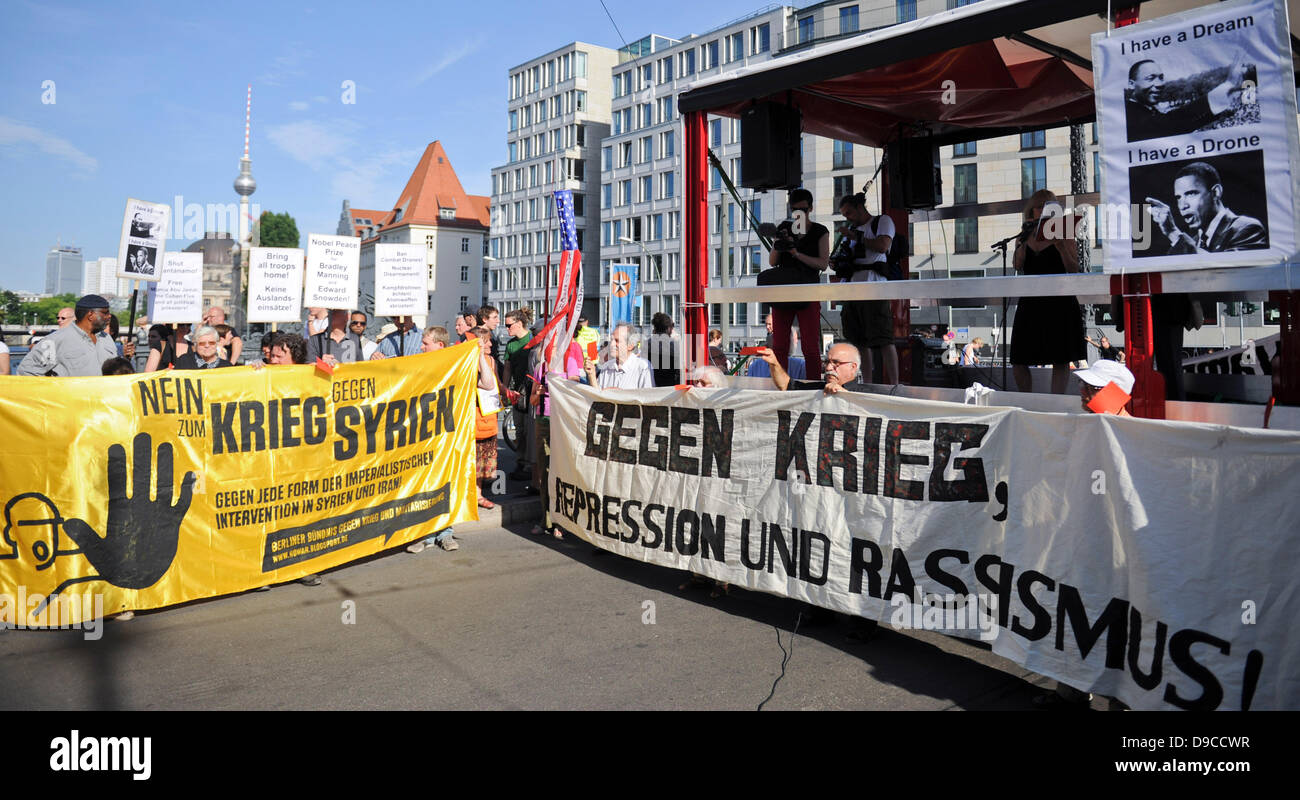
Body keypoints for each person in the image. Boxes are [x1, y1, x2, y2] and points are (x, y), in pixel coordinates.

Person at [1034, 360, 1136, 709]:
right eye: (1086, 386)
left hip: (1115, 551)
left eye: (1093, 388)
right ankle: (1071, 691)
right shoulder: (1080, 427)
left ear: (1118, 392)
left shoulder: (1139, 438)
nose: (1083, 392)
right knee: (1075, 612)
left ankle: (1119, 700)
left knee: (1115, 622)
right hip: (1080, 542)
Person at [1010, 189, 1085, 395]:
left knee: (1060, 358)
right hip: (1031, 302)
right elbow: (1017, 265)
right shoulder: (1024, 233)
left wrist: (1060, 246)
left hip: (1059, 302)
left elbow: (1074, 268)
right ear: (1031, 211)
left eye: (1048, 206)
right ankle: (1027, 402)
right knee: (1018, 357)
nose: (1043, 209)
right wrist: (1023, 244)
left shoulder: (1064, 232)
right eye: (1039, 206)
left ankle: (1056, 403)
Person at [837, 192, 899, 385]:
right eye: (844, 214)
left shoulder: (882, 221)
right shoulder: (851, 231)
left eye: (849, 213)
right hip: (852, 287)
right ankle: (868, 383)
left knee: (883, 338)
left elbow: (883, 245)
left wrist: (855, 236)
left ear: (859, 208)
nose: (847, 218)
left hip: (874, 286)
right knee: (859, 340)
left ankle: (895, 384)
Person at [767, 188, 828, 378]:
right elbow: (772, 261)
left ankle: (813, 387)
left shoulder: (819, 231)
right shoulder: (784, 227)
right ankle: (780, 388)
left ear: (810, 208)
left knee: (810, 346)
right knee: (779, 345)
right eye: (795, 210)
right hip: (784, 290)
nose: (798, 214)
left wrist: (797, 254)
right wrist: (780, 242)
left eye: (802, 210)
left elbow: (823, 263)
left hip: (808, 290)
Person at [527, 335, 584, 539]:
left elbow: (576, 385)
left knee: (561, 472)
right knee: (544, 473)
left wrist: (558, 380)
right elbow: (532, 400)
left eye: (552, 343)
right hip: (543, 421)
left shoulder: (568, 361)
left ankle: (563, 522)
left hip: (562, 422)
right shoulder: (540, 368)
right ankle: (546, 519)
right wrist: (539, 393)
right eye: (546, 344)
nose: (549, 347)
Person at [1125, 53, 1250, 143]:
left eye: (1161, 78)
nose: (1159, 84)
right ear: (1131, 84)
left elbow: (1182, 125)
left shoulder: (1148, 110)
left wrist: (1222, 110)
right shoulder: (1128, 114)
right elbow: (1171, 123)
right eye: (1150, 78)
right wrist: (1228, 86)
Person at [1147, 162, 1266, 255]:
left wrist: (1172, 232)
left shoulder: (1247, 228)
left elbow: (1225, 270)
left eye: (1191, 194)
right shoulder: (1192, 241)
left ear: (1215, 193)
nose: (1183, 205)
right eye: (1178, 197)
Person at [17, 295, 119, 376]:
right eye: (105, 313)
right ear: (91, 315)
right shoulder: (55, 340)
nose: (109, 316)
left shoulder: (107, 338)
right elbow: (27, 372)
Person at [469, 326, 504, 514]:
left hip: (489, 417)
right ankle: (471, 495)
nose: (491, 343)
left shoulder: (491, 360)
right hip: (473, 417)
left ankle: (478, 494)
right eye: (487, 341)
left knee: (482, 462)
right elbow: (485, 383)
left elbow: (495, 383)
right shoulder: (467, 363)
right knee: (472, 459)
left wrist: (507, 392)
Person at [502, 308, 536, 482]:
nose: (506, 329)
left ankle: (530, 464)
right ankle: (521, 461)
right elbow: (507, 368)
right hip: (517, 393)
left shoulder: (533, 339)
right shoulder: (510, 344)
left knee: (530, 430)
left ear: (519, 323)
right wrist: (505, 389)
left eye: (509, 325)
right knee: (520, 430)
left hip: (532, 392)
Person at [757, 341, 865, 395]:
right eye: (826, 362)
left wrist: (847, 396)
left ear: (853, 367)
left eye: (836, 363)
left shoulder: (870, 396)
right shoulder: (817, 390)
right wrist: (774, 363)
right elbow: (786, 385)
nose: (828, 368)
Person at [584, 322, 654, 389]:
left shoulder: (643, 367)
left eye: (617, 340)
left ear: (630, 345)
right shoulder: (606, 367)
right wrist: (591, 375)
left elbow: (647, 398)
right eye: (611, 340)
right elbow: (598, 396)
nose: (612, 344)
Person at [649, 312, 681, 387]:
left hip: (651, 387)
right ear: (669, 328)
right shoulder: (675, 346)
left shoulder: (646, 345)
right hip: (670, 389)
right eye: (672, 326)